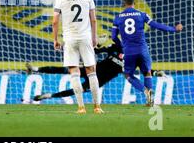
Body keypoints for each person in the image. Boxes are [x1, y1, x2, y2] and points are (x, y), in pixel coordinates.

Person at [27, 43, 167, 101]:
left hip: (97, 81)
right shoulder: (117, 47)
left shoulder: (135, 59)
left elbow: (145, 70)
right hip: (92, 70)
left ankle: (48, 96)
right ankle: (35, 70)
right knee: (66, 69)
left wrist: (156, 73)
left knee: (75, 90)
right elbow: (97, 50)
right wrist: (96, 45)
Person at [112, 0, 183, 106]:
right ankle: (150, 100)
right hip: (143, 50)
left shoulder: (118, 18)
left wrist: (121, 47)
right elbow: (156, 25)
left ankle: (145, 91)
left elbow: (114, 37)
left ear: (124, 4)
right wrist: (174, 29)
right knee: (147, 72)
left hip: (129, 51)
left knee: (128, 75)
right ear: (134, 3)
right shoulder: (142, 14)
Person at [53, 0, 102, 114]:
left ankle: (81, 107)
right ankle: (97, 107)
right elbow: (93, 19)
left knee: (74, 71)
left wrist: (56, 39)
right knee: (91, 71)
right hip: (85, 37)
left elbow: (55, 21)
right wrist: (94, 37)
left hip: (70, 39)